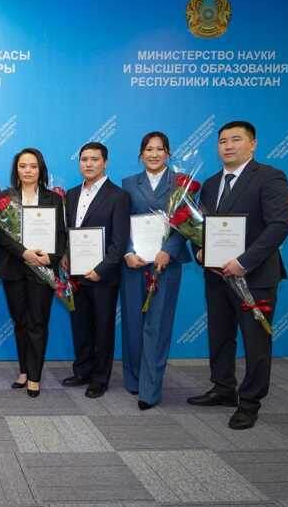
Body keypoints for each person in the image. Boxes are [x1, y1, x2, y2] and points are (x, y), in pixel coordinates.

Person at [187, 120, 288, 430]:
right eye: (222, 141)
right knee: (220, 336)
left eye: (235, 139)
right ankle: (223, 388)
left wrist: (244, 262)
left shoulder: (270, 177)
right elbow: (200, 228)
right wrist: (200, 251)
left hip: (254, 277)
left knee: (255, 342)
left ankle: (249, 403)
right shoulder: (209, 184)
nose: (228, 146)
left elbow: (279, 226)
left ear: (253, 144)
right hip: (217, 276)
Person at [120, 132, 191, 410]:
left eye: (160, 149)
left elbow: (186, 222)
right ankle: (134, 379)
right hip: (134, 264)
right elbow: (121, 222)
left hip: (166, 264)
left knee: (157, 326)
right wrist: (128, 251)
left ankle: (149, 390)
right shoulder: (128, 183)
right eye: (149, 149)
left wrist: (169, 250)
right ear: (141, 155)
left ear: (168, 154)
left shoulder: (181, 183)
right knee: (132, 324)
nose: (154, 154)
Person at [62, 141, 130, 398]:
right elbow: (68, 233)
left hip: (103, 276)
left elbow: (119, 241)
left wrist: (101, 269)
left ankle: (100, 378)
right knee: (80, 325)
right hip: (76, 274)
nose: (88, 164)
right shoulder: (71, 195)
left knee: (102, 328)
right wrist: (65, 255)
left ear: (105, 163)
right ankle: (83, 371)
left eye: (94, 159)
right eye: (84, 159)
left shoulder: (118, 196)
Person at [0, 148, 65, 398]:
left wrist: (52, 257)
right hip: (14, 268)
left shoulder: (53, 198)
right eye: (23, 166)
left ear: (40, 169)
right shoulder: (6, 197)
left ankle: (35, 376)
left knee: (38, 322)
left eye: (33, 166)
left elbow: (61, 234)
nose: (28, 170)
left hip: (42, 269)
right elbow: (1, 234)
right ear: (16, 170)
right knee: (21, 322)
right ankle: (24, 370)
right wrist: (24, 253)